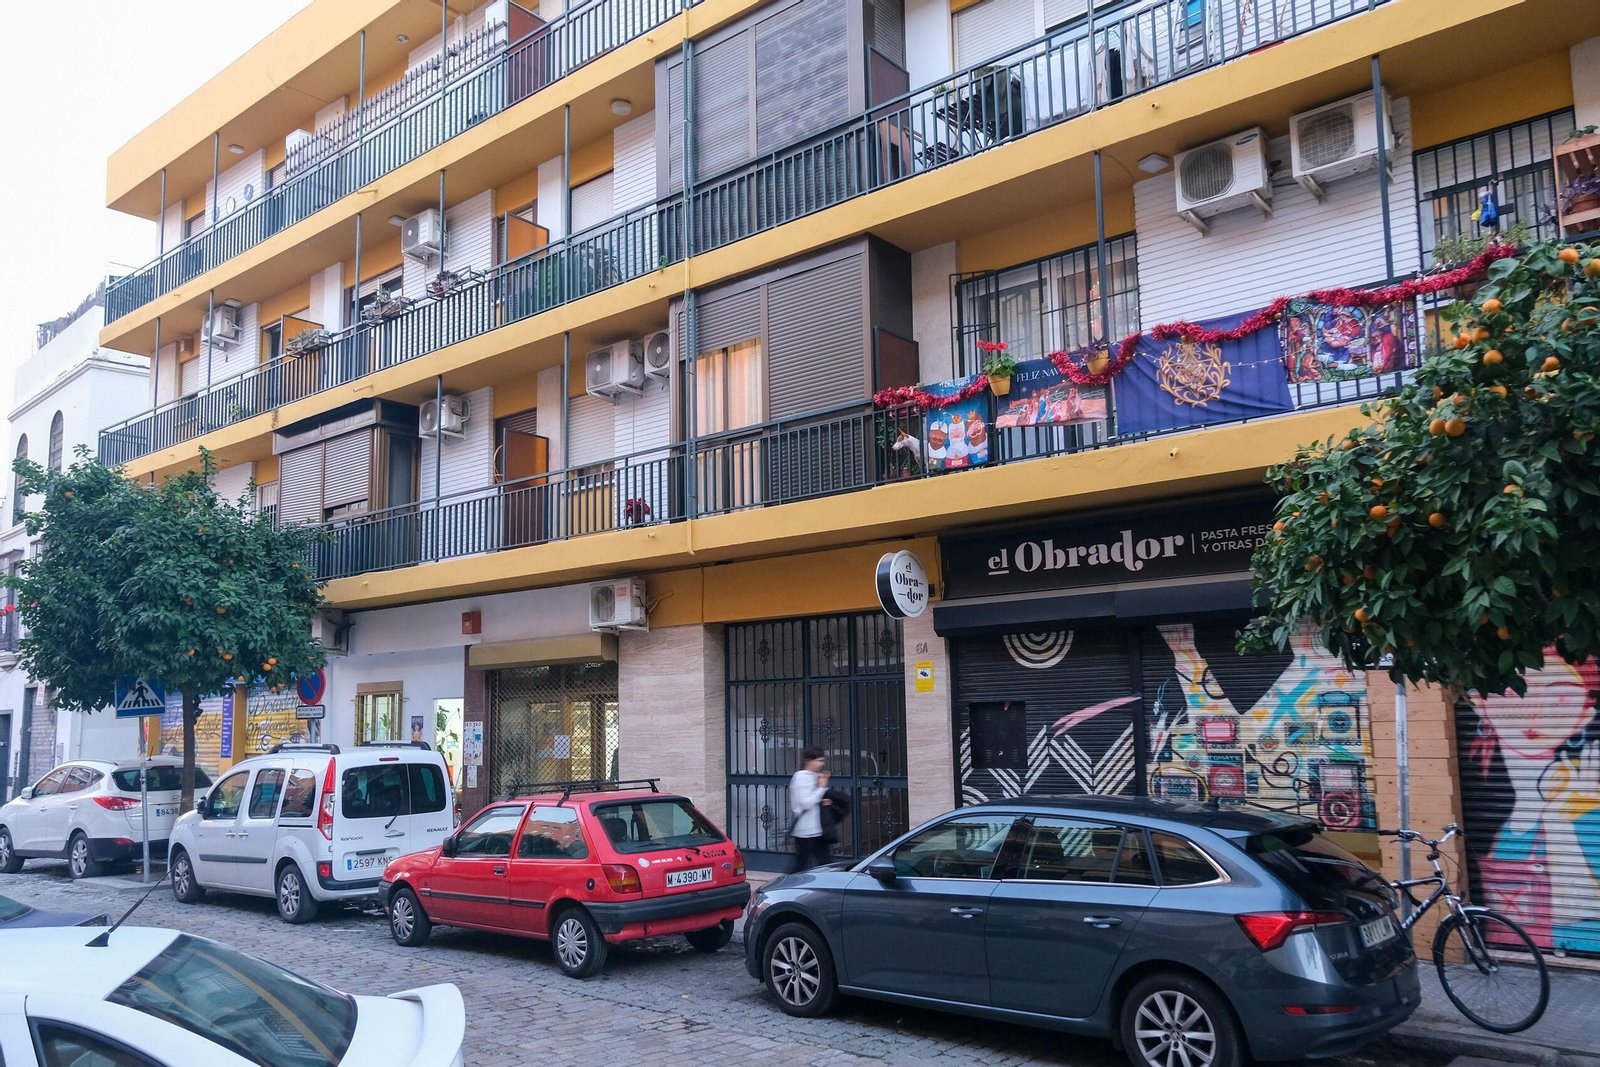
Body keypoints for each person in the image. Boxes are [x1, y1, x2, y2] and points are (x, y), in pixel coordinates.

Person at [789, 746, 832, 871]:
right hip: (805, 830)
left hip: (817, 829)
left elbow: (815, 798)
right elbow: (805, 803)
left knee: (825, 863)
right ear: (808, 760)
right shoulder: (800, 777)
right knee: (800, 865)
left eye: (822, 761)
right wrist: (821, 788)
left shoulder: (815, 776)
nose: (821, 764)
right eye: (819, 760)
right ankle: (788, 886)